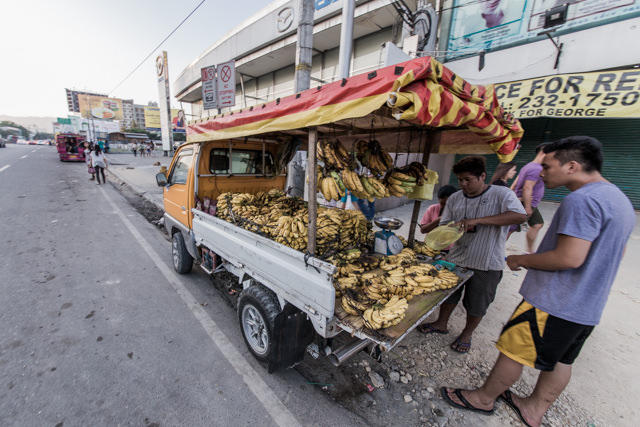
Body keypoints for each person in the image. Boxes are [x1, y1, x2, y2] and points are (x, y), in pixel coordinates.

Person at [440, 136, 635, 427]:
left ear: (571, 165)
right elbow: (615, 253)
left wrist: (521, 260)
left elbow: (569, 257)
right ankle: (533, 408)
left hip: (554, 301)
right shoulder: (619, 199)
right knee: (561, 360)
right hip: (588, 305)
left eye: (546, 166)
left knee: (512, 350)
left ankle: (483, 398)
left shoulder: (582, 200)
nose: (540, 173)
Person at [417, 156, 526, 352]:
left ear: (482, 176)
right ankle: (441, 323)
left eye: (468, 179)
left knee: (477, 303)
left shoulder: (501, 195)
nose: (463, 184)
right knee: (449, 294)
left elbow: (520, 215)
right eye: (460, 180)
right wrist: (451, 229)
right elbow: (444, 224)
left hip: (486, 260)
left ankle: (467, 334)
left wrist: (478, 221)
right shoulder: (455, 199)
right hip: (457, 257)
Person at [510, 143, 548, 253]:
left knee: (537, 224)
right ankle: (494, 249)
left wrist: (511, 193)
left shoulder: (529, 166)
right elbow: (527, 187)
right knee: (510, 229)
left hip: (528, 203)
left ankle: (530, 251)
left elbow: (515, 182)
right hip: (527, 203)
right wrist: (527, 208)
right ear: (542, 153)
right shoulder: (537, 169)